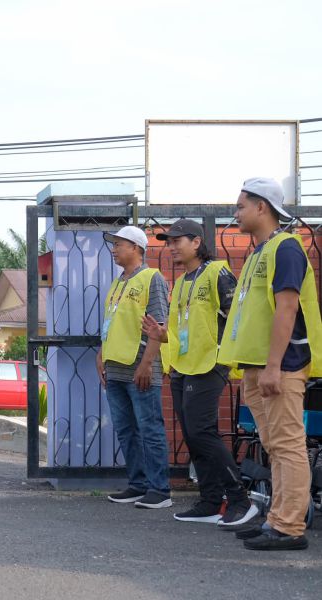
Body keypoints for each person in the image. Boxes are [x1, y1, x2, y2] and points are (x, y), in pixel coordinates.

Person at [218, 178, 322, 551]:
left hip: (281, 365)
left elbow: (287, 308)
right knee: (275, 445)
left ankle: (289, 527)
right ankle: (277, 519)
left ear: (262, 207)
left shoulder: (286, 248)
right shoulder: (260, 253)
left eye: (241, 205)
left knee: (288, 444)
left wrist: (274, 366)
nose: (236, 212)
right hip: (258, 366)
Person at [142, 219, 256, 526]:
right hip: (183, 365)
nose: (172, 246)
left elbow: (236, 315)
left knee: (202, 431)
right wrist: (162, 334)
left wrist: (227, 356)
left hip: (210, 363)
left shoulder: (217, 272)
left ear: (197, 242)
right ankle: (209, 501)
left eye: (178, 240)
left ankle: (240, 500)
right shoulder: (180, 282)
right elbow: (182, 327)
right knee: (193, 435)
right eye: (169, 241)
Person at [97, 225, 172, 509]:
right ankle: (138, 484)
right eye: (114, 244)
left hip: (140, 368)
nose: (114, 249)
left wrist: (147, 363)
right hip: (115, 367)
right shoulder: (119, 282)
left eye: (119, 244)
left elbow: (158, 327)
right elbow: (112, 322)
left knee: (150, 428)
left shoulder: (152, 279)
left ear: (137, 248)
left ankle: (160, 490)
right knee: (127, 430)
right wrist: (102, 354)